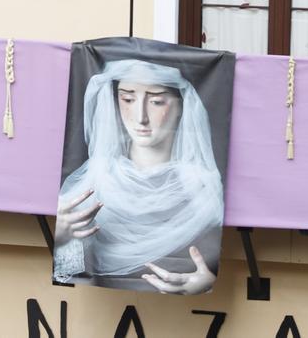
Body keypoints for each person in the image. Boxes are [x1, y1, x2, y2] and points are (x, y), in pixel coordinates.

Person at [53, 60, 223, 294]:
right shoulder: (88, 184)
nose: (140, 116)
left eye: (156, 102)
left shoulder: (204, 190)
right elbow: (68, 277)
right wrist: (62, 240)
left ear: (182, 104)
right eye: (128, 99)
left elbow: (211, 261)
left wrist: (206, 284)